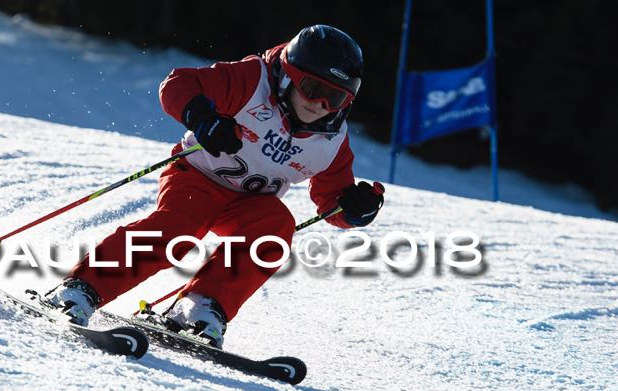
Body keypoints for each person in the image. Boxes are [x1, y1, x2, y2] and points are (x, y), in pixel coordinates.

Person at [45, 24, 385, 349]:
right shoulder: (252, 82)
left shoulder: (331, 141)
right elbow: (178, 84)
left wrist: (353, 209)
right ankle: (81, 288)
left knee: (277, 226)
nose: (319, 105)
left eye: (334, 99)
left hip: (249, 204)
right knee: (179, 229)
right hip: (198, 176)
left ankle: (197, 307)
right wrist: (203, 118)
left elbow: (331, 202)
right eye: (312, 89)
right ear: (288, 77)